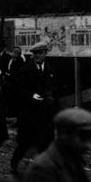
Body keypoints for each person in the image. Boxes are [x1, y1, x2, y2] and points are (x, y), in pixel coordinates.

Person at [11, 41, 58, 173]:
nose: (37, 56)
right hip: (29, 113)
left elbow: (55, 89)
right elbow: (18, 89)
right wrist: (31, 95)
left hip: (45, 113)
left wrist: (55, 108)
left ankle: (42, 168)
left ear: (45, 54)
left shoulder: (50, 69)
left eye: (40, 53)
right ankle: (15, 162)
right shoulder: (25, 70)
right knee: (25, 142)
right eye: (35, 54)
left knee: (45, 141)